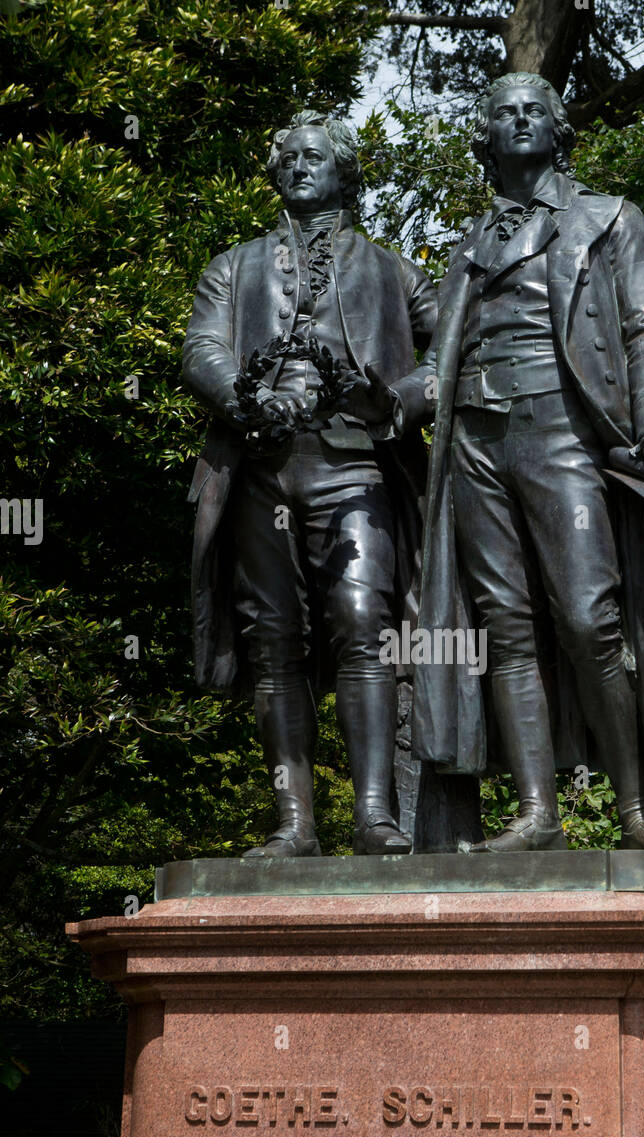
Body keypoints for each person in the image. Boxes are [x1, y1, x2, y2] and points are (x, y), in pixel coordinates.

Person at [350, 73, 644, 853]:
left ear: (557, 129)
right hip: (474, 442)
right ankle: (539, 814)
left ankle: (634, 813)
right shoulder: (471, 244)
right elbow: (438, 366)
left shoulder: (609, 220)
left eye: (532, 111)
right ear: (485, 135)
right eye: (502, 113)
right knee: (504, 628)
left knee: (589, 617)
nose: (517, 121)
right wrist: (390, 401)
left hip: (562, 432)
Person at [182, 110, 436, 856]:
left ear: (344, 169)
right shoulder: (235, 265)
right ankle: (294, 825)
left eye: (314, 155)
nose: (298, 165)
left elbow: (455, 351)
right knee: (274, 642)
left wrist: (396, 402)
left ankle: (373, 817)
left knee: (364, 624)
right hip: (261, 468)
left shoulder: (393, 270)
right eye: (287, 156)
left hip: (356, 464)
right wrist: (241, 396)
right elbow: (202, 347)